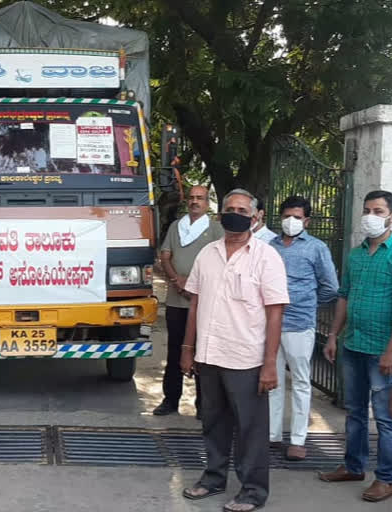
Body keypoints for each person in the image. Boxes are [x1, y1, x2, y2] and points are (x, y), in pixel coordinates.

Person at [180, 188, 289, 512]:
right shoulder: (207, 253)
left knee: (250, 429)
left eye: (243, 210)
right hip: (209, 355)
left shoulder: (267, 257)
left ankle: (253, 490)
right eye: (230, 208)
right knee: (213, 421)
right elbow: (195, 302)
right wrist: (188, 348)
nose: (235, 213)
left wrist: (270, 364)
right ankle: (214, 477)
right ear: (220, 214)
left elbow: (275, 311)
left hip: (246, 359)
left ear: (255, 218)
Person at [319, 190, 392, 503]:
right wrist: (333, 336)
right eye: (367, 209)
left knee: (386, 417)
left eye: (378, 210)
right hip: (353, 344)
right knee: (354, 411)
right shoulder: (355, 254)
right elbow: (344, 295)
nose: (371, 215)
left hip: (383, 349)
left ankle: (385, 478)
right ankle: (353, 466)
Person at [268, 196, 339, 460]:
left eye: (297, 217)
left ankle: (298, 439)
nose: (291, 221)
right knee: (272, 380)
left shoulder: (316, 248)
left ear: (306, 221)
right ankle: (271, 435)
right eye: (287, 216)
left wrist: (308, 305)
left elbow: (331, 287)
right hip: (271, 325)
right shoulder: (269, 246)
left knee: (300, 381)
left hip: (299, 325)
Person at [154, 185, 223, 419]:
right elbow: (165, 256)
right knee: (175, 351)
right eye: (192, 198)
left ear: (207, 203)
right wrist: (177, 280)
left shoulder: (215, 229)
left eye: (200, 198)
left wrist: (195, 286)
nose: (195, 202)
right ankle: (170, 400)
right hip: (176, 299)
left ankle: (204, 405)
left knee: (203, 353)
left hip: (203, 301)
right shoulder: (176, 227)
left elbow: (220, 262)